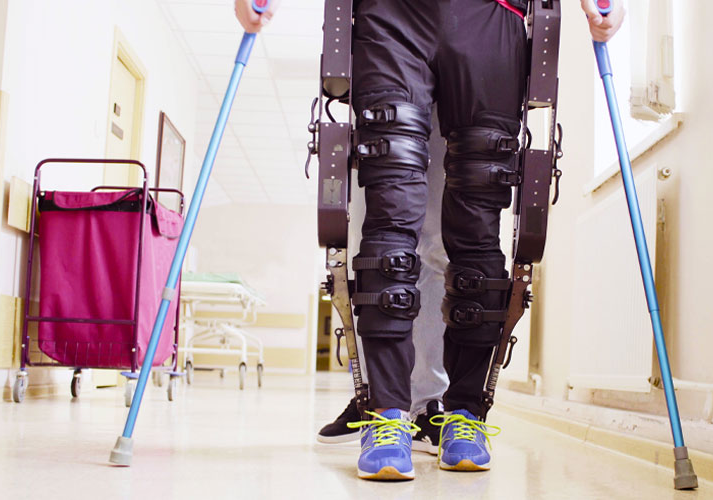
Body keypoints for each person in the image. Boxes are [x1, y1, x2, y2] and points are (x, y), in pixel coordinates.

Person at [236, 0, 624, 482]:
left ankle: (464, 415)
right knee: (390, 218)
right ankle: (389, 415)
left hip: (493, 15)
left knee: (478, 223)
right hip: (389, 15)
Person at [317, 112, 450, 456]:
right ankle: (374, 397)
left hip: (446, 106)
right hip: (382, 95)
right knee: (375, 251)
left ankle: (428, 405)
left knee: (437, 250)